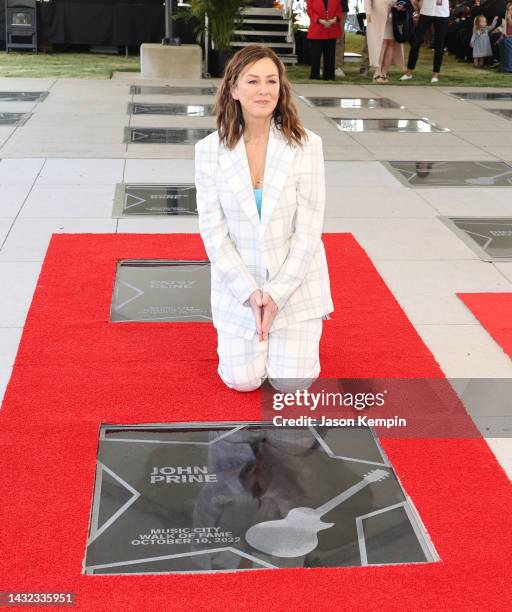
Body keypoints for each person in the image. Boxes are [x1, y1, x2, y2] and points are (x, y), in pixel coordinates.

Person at [194, 45, 334, 393]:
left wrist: (277, 293)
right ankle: (252, 336)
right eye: (252, 81)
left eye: (272, 81)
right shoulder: (208, 151)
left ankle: (289, 335)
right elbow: (214, 233)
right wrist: (250, 292)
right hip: (239, 287)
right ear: (233, 89)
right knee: (241, 381)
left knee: (291, 383)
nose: (263, 90)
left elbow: (309, 230)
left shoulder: (307, 145)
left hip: (295, 284)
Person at [400, 0, 451, 82]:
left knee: (439, 44)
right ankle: (408, 73)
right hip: (426, 11)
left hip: (442, 13)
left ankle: (435, 74)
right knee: (416, 41)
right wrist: (416, 9)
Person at [365, 0, 405, 82]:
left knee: (391, 43)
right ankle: (377, 72)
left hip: (393, 16)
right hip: (377, 16)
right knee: (381, 43)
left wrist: (401, 5)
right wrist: (368, 11)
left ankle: (384, 73)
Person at [306, 0, 343, 80]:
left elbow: (339, 9)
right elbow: (310, 10)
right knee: (316, 55)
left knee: (330, 55)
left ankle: (329, 76)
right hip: (317, 29)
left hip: (332, 29)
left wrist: (334, 20)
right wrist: (319, 20)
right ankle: (315, 76)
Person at [335, 0, 350, 76]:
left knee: (339, 38)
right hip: (324, 6)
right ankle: (321, 66)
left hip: (341, 8)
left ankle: (337, 66)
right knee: (323, 38)